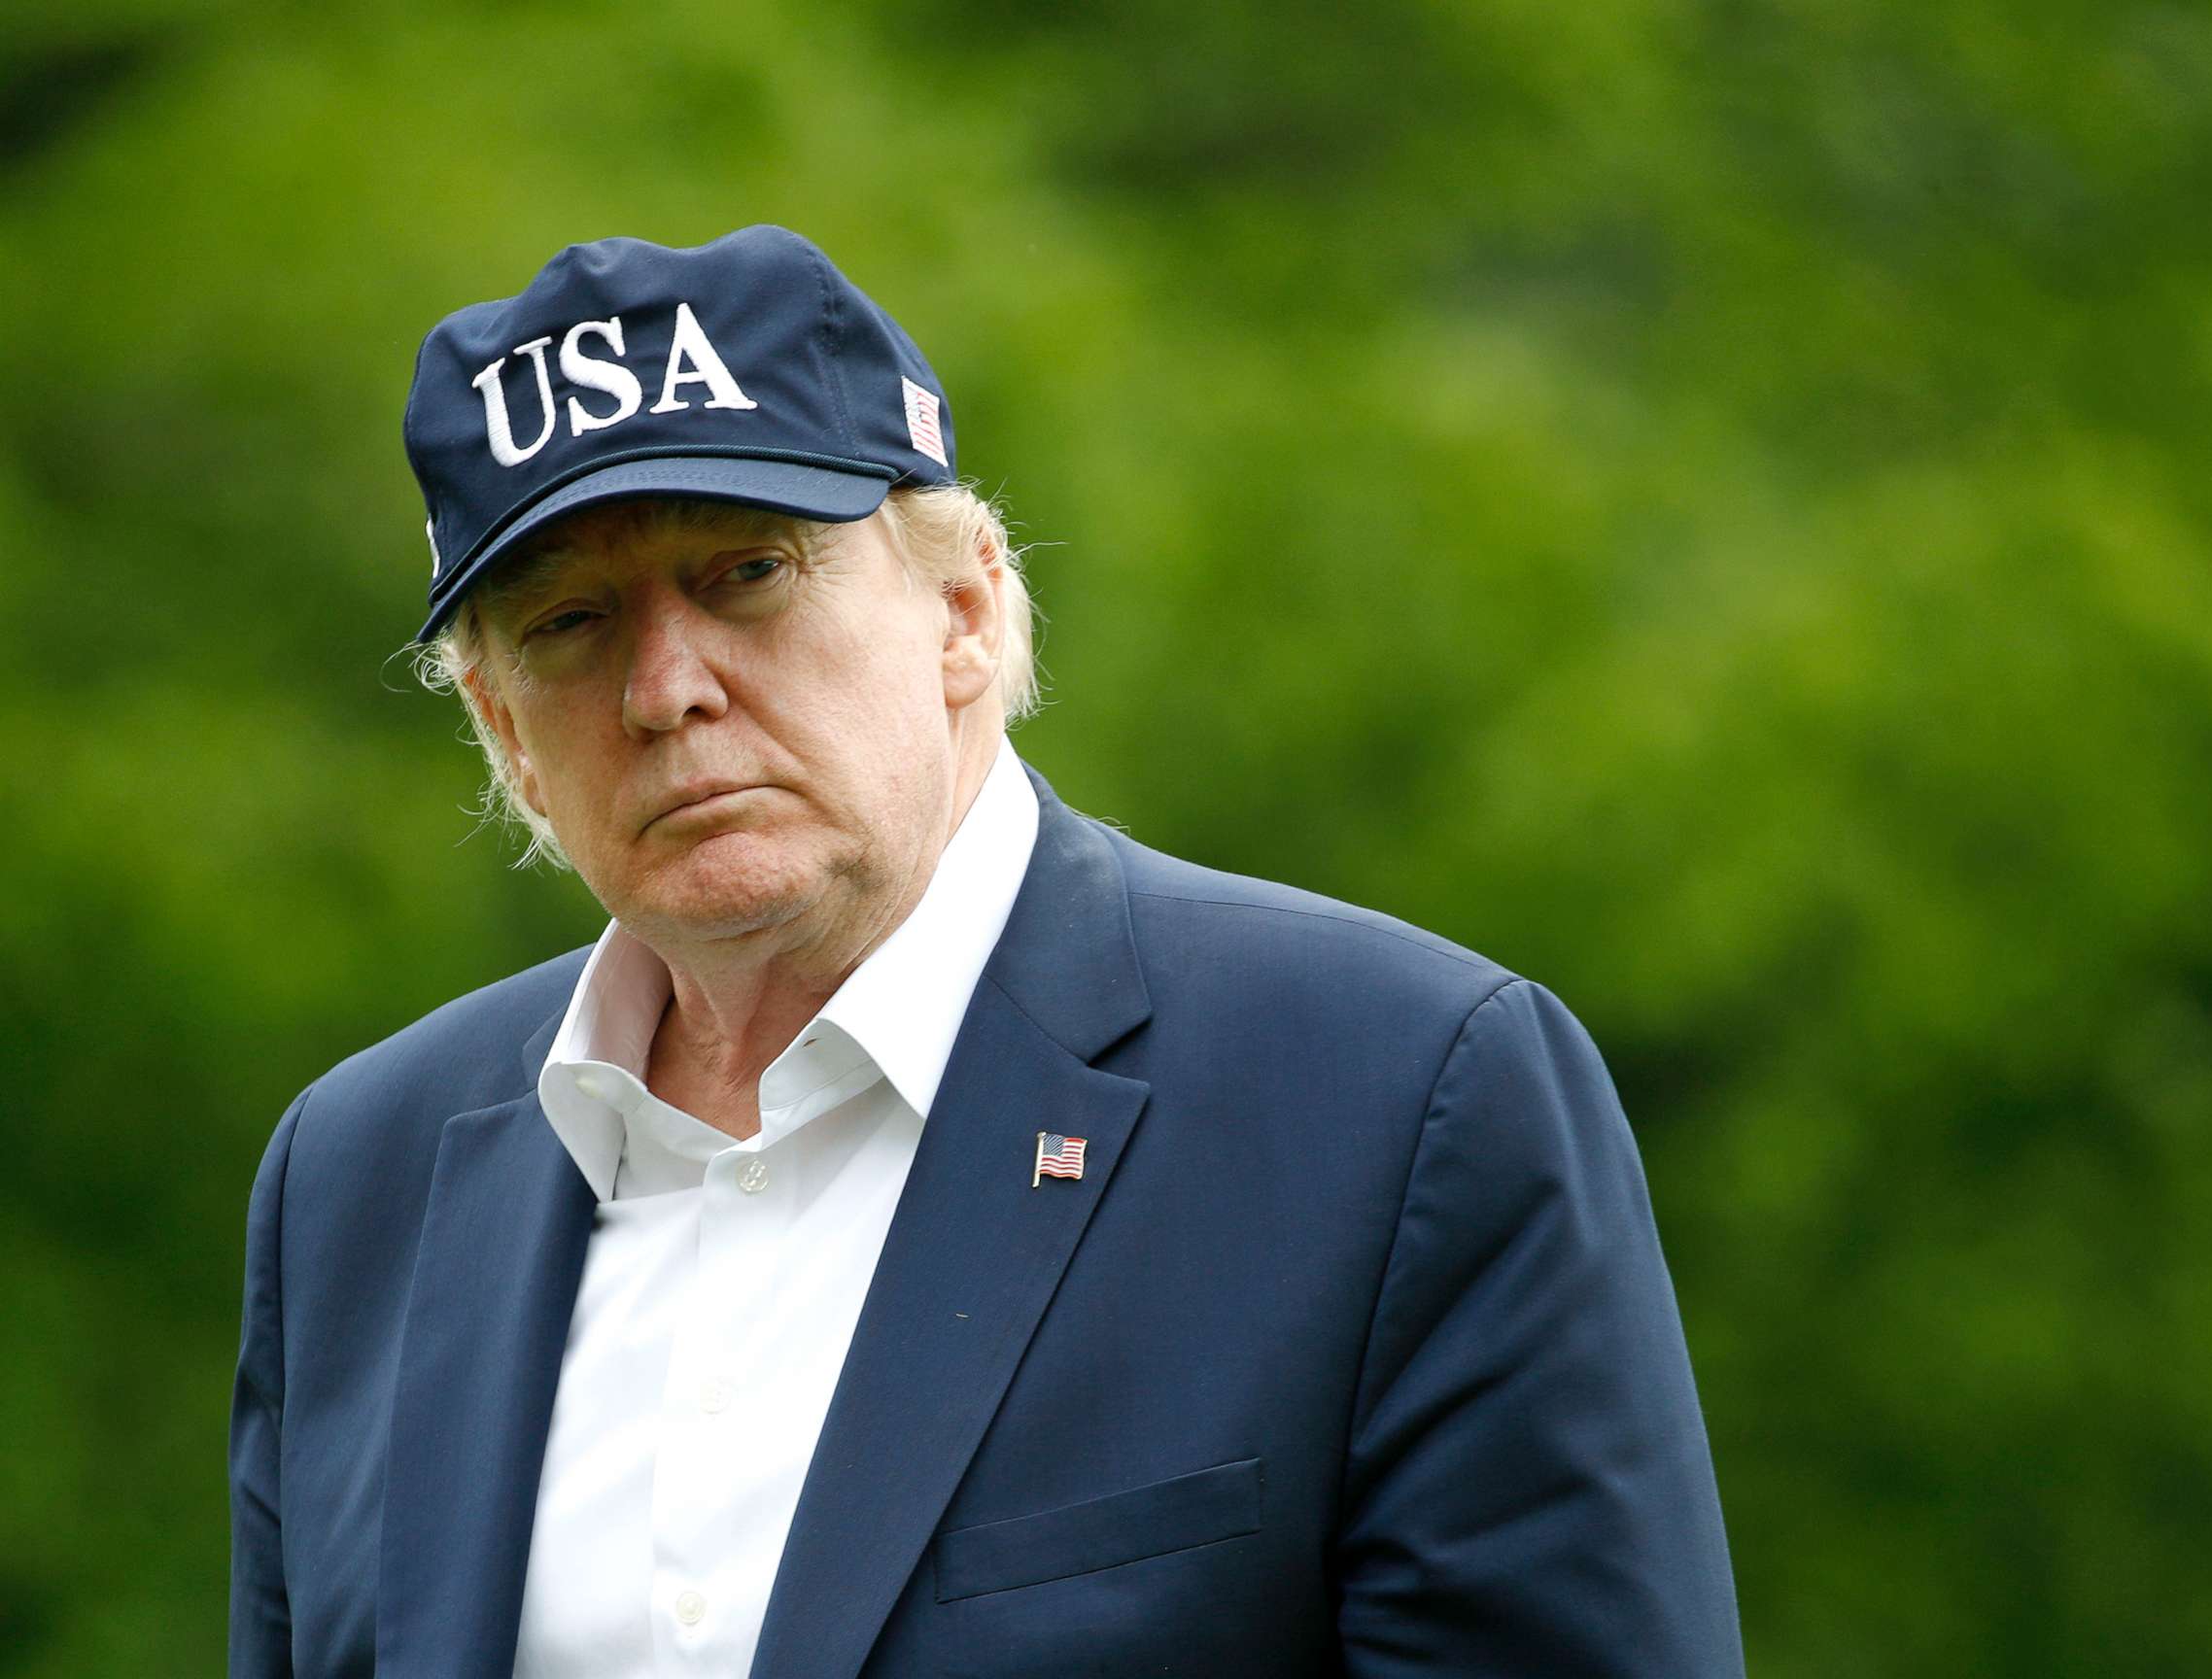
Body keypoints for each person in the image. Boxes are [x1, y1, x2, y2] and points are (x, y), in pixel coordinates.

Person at [227, 224, 1745, 1678]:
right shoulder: (359, 1177)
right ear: (504, 730)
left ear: (963, 604)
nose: (665, 686)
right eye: (569, 621)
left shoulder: (1396, 1096)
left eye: (746, 571)